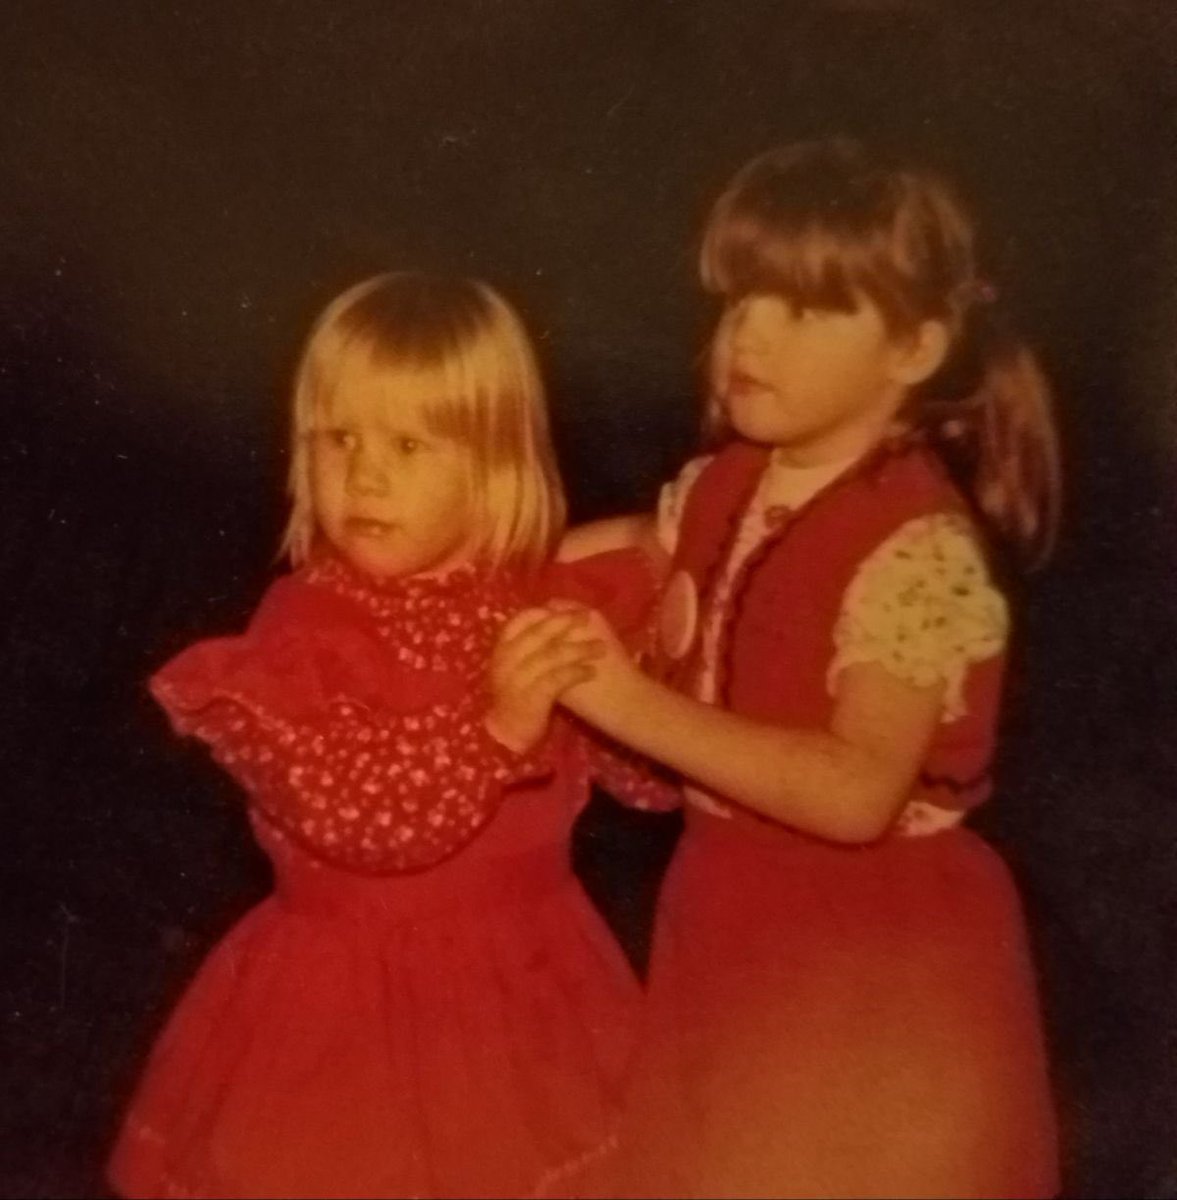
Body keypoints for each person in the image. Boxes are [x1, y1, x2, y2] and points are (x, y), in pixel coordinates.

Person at [545, 138, 1061, 1197]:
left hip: (873, 957)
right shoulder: (731, 479)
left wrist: (621, 697)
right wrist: (486, 565)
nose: (752, 338)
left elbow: (854, 791)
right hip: (730, 918)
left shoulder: (917, 551)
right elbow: (667, 544)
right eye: (742, 302)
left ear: (913, 348)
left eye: (806, 310)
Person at [107, 271, 673, 1200]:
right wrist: (494, 731)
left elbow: (647, 784)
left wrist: (631, 686)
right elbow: (360, 819)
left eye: (408, 443)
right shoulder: (303, 629)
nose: (363, 473)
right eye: (337, 440)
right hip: (346, 1020)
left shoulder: (531, 601)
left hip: (534, 998)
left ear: (496, 468)